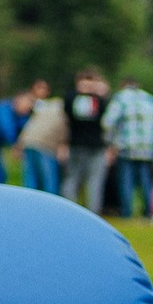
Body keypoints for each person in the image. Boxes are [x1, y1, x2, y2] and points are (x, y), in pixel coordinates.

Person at [105, 76, 153, 221]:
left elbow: (108, 122)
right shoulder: (151, 99)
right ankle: (148, 213)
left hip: (126, 146)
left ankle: (126, 213)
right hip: (148, 148)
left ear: (123, 85)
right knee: (146, 181)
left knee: (126, 181)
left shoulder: (120, 98)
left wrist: (111, 142)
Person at [63, 70, 111, 214]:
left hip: (77, 144)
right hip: (93, 145)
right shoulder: (99, 100)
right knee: (94, 181)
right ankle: (93, 212)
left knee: (73, 179)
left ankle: (68, 210)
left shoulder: (71, 98)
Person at [16, 86, 68, 196]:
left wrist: (19, 144)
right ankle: (50, 204)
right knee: (49, 180)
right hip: (46, 145)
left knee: (31, 180)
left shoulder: (45, 106)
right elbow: (64, 127)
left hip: (29, 142)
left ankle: (28, 202)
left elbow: (30, 124)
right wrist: (63, 144)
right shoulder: (63, 108)